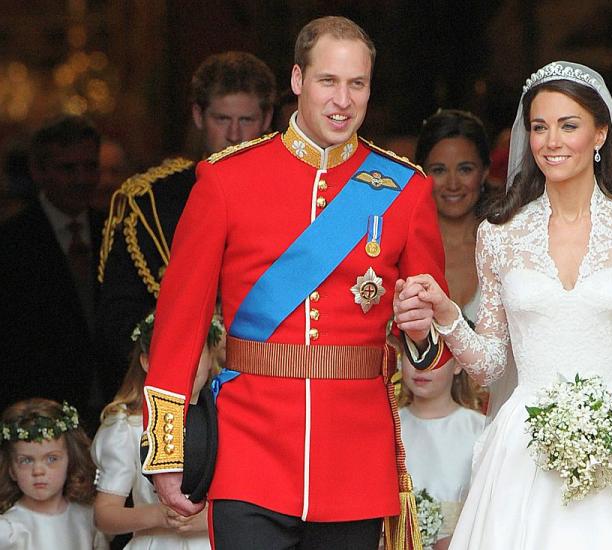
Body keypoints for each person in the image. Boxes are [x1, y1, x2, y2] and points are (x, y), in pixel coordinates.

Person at [140, 16, 450, 549]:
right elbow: (179, 323)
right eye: (328, 81)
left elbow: (435, 339)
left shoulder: (406, 190)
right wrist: (167, 451)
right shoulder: (225, 180)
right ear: (297, 81)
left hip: (354, 459)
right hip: (248, 454)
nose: (342, 100)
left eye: (358, 84)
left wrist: (423, 335)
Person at [394, 60, 612, 549]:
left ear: (601, 133)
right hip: (523, 447)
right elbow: (491, 364)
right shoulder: (499, 235)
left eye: (569, 125)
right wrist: (449, 316)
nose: (551, 141)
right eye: (539, 127)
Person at [96, 51, 276, 399]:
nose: (235, 135)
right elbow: (118, 324)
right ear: (198, 115)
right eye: (222, 119)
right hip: (175, 391)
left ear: (267, 118)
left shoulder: (297, 195)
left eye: (247, 120)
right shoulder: (149, 202)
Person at [91, 312, 223, 549]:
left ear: (210, 355)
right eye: (171, 352)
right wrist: (161, 516)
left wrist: (212, 519)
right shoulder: (128, 425)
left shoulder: (227, 418)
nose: (185, 363)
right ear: (146, 361)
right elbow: (105, 515)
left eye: (196, 351)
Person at [0, 116, 103, 418]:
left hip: (109, 405)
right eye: (68, 169)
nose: (82, 179)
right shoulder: (12, 243)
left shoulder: (116, 231)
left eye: (90, 166)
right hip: (39, 413)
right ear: (38, 172)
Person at [398, 345, 484, 548]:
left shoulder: (479, 429)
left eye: (433, 356)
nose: (422, 366)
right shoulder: (390, 426)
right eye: (413, 355)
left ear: (457, 364)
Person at [0, 398, 108, 549]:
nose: (38, 471)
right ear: (11, 469)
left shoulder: (87, 519)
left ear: (70, 461)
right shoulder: (7, 530)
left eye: (52, 459)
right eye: (26, 461)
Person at [414, 109, 490, 322]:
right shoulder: (404, 246)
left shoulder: (504, 244)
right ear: (421, 174)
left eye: (465, 169)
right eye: (439, 170)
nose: (453, 184)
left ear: (484, 172)